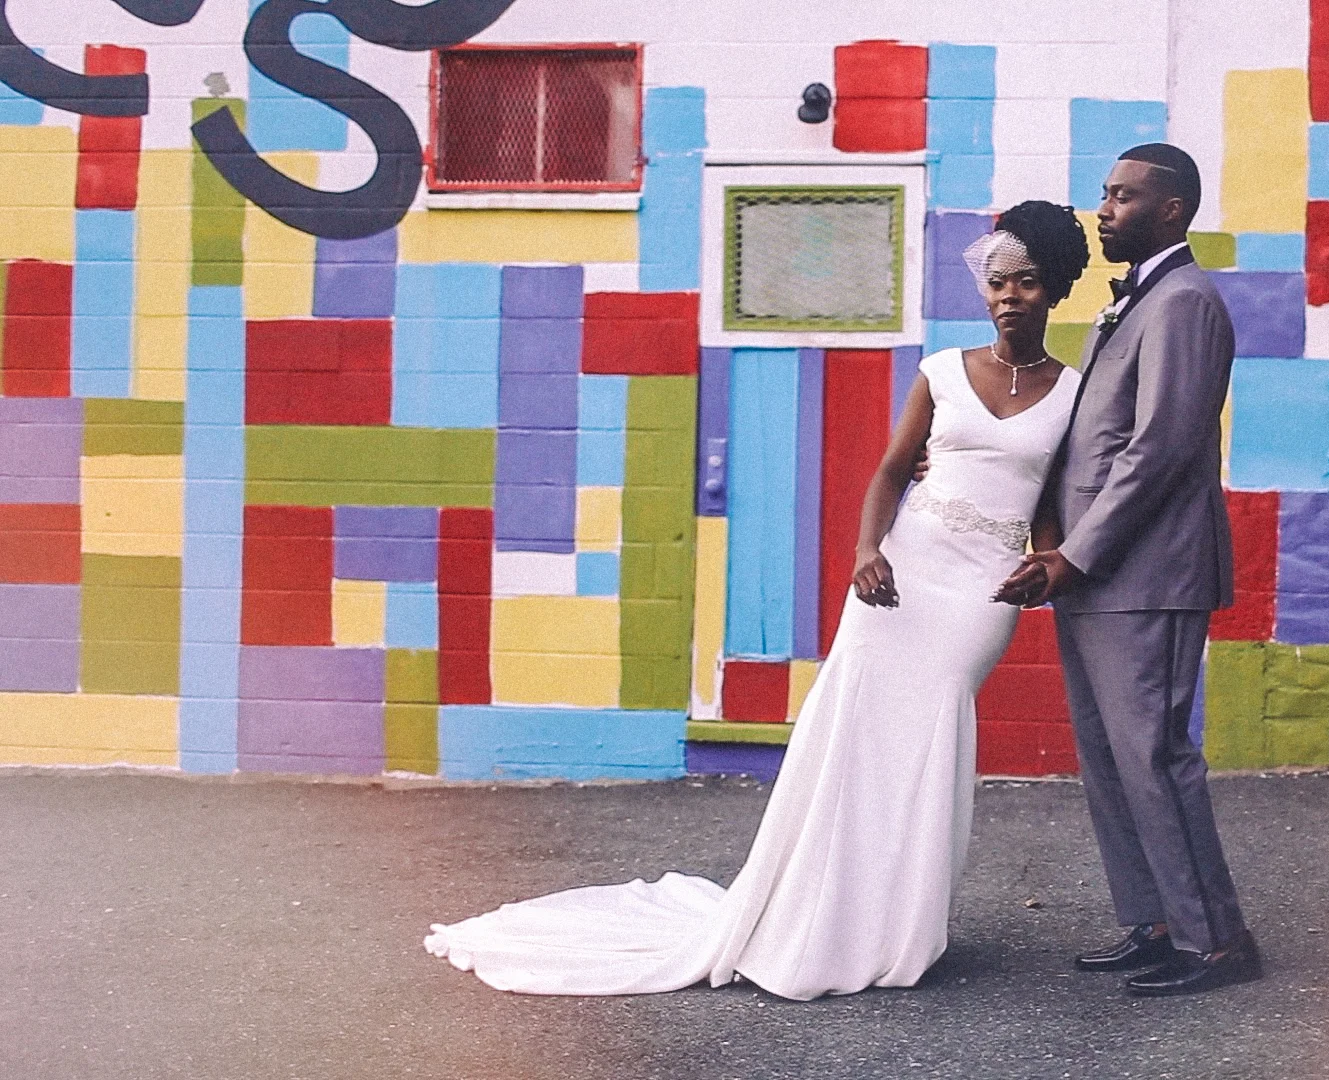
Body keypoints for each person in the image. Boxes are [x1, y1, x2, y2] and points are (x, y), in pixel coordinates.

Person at [423, 201, 1090, 1001]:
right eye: (997, 282)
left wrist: (1046, 564)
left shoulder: (1072, 393)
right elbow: (890, 470)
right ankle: (816, 911)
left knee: (930, 739)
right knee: (854, 735)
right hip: (903, 573)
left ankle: (900, 924)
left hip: (979, 594)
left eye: (1026, 282)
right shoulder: (943, 372)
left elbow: (1047, 503)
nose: (1009, 295)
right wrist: (866, 550)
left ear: (1055, 289)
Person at [993, 143, 1260, 997]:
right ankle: (1156, 922)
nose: (1103, 211)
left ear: (1172, 209)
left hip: (1147, 573)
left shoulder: (1184, 302)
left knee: (1154, 755)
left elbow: (1159, 450)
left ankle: (1216, 941)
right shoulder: (1135, 302)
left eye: (1122, 197)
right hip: (1099, 575)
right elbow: (1091, 439)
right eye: (1105, 195)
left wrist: (1074, 555)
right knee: (1110, 758)